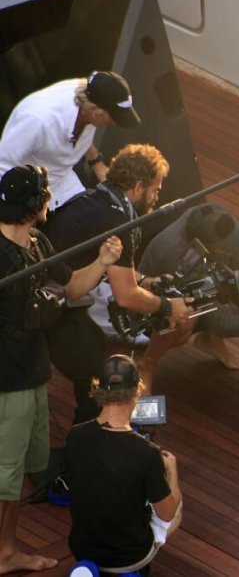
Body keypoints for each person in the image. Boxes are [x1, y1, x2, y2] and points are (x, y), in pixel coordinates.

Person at [0, 165, 122, 574]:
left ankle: (6, 550)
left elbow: (70, 288)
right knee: (6, 473)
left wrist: (103, 261)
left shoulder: (38, 242)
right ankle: (3, 553)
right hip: (7, 383)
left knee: (17, 470)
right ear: (37, 204)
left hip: (32, 372)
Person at [41, 143, 192, 422]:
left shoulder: (97, 199)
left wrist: (146, 280)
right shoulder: (119, 222)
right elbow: (126, 295)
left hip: (54, 290)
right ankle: (92, 435)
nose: (157, 197)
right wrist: (169, 307)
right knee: (100, 381)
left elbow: (119, 272)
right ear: (138, 186)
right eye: (155, 189)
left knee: (94, 352)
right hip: (50, 305)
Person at [136, 202, 239, 391]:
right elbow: (221, 322)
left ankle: (210, 339)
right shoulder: (180, 258)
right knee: (186, 319)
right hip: (151, 310)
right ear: (207, 244)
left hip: (201, 282)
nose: (235, 248)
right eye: (227, 247)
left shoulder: (209, 217)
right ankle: (146, 364)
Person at [65, 354, 182, 575]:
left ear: (98, 388)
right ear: (138, 390)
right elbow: (166, 514)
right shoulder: (147, 453)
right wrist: (172, 472)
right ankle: (129, 573)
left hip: (82, 548)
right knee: (175, 508)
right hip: (129, 556)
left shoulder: (75, 435)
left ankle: (87, 570)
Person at [0, 70, 141, 210]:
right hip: (27, 189)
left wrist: (97, 164)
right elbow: (2, 165)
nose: (115, 123)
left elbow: (81, 136)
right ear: (94, 109)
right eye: (113, 118)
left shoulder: (91, 97)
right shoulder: (38, 120)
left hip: (64, 182)